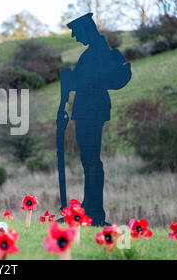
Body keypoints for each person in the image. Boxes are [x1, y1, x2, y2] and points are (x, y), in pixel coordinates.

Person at [59, 13, 132, 226]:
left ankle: (95, 214)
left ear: (85, 29)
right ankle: (89, 209)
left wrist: (70, 79)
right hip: (87, 111)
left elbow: (89, 82)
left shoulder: (98, 52)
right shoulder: (94, 51)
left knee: (92, 163)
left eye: (75, 32)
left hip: (91, 111)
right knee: (89, 162)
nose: (74, 36)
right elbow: (87, 80)